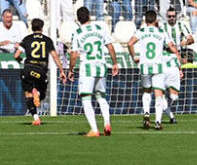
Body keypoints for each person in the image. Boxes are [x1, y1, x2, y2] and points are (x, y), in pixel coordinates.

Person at [68, 7, 119, 137]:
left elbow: (74, 55)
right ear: (89, 16)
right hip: (101, 67)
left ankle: (94, 129)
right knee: (101, 97)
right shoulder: (100, 29)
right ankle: (107, 122)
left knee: (86, 99)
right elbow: (110, 46)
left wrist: (70, 69)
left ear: (78, 19)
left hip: (87, 69)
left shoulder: (78, 33)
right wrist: (114, 63)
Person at [127, 10, 182, 131]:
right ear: (156, 20)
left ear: (145, 20)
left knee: (146, 92)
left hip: (145, 66)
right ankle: (157, 121)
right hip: (158, 67)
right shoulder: (161, 32)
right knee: (159, 94)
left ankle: (146, 113)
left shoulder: (141, 31)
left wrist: (134, 57)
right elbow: (172, 47)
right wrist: (176, 54)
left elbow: (130, 43)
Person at [15, 19, 65, 126]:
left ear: (31, 27)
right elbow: (54, 55)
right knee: (41, 94)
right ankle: (37, 93)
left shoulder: (26, 39)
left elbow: (16, 55)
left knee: (28, 95)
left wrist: (21, 60)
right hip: (41, 70)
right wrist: (61, 70)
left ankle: (36, 117)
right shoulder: (47, 40)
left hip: (28, 68)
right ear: (42, 28)